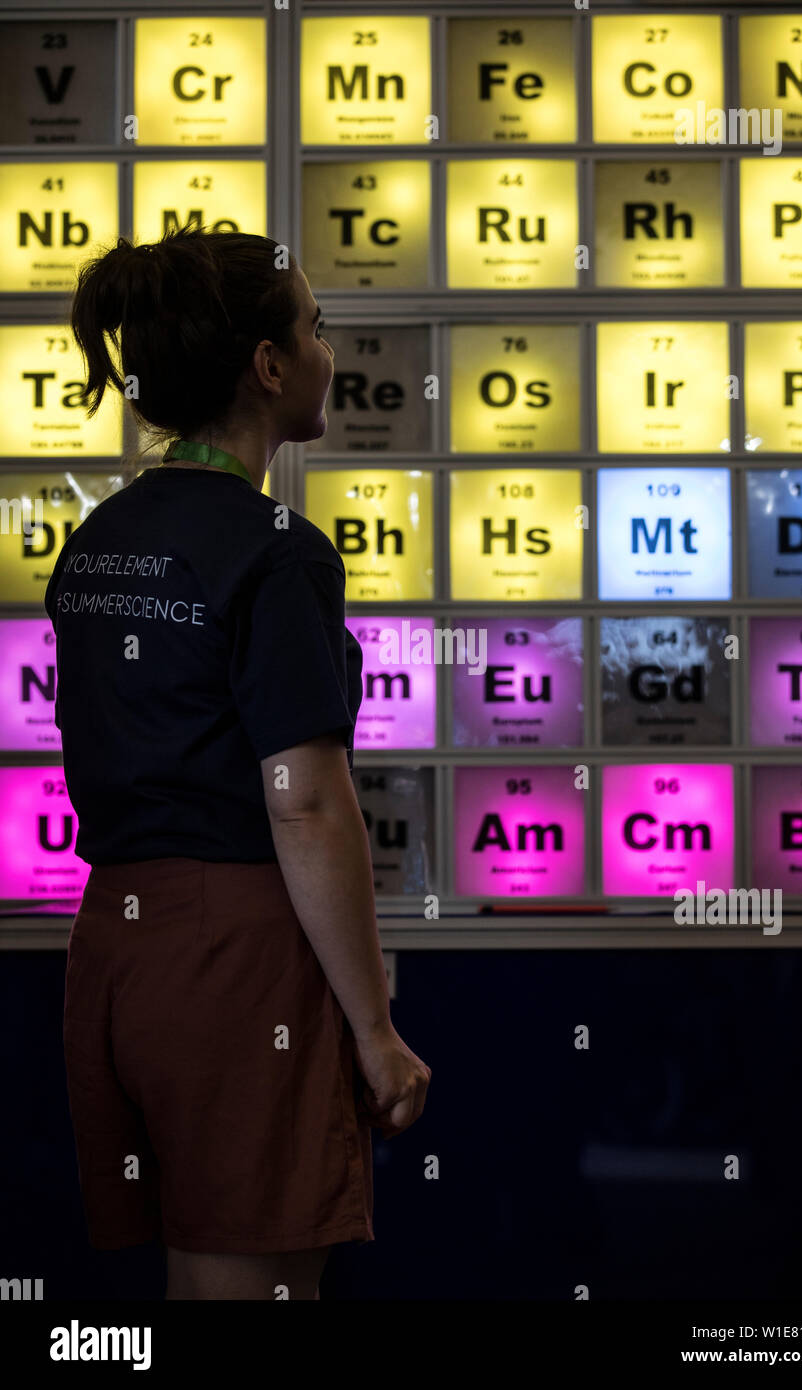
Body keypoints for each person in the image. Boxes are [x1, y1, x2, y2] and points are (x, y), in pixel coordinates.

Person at [44, 224, 431, 1300]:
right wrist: (374, 1029)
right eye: (314, 328)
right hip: (239, 954)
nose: (325, 350)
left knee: (195, 1272)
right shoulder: (276, 549)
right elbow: (305, 804)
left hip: (117, 948)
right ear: (269, 367)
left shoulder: (99, 538)